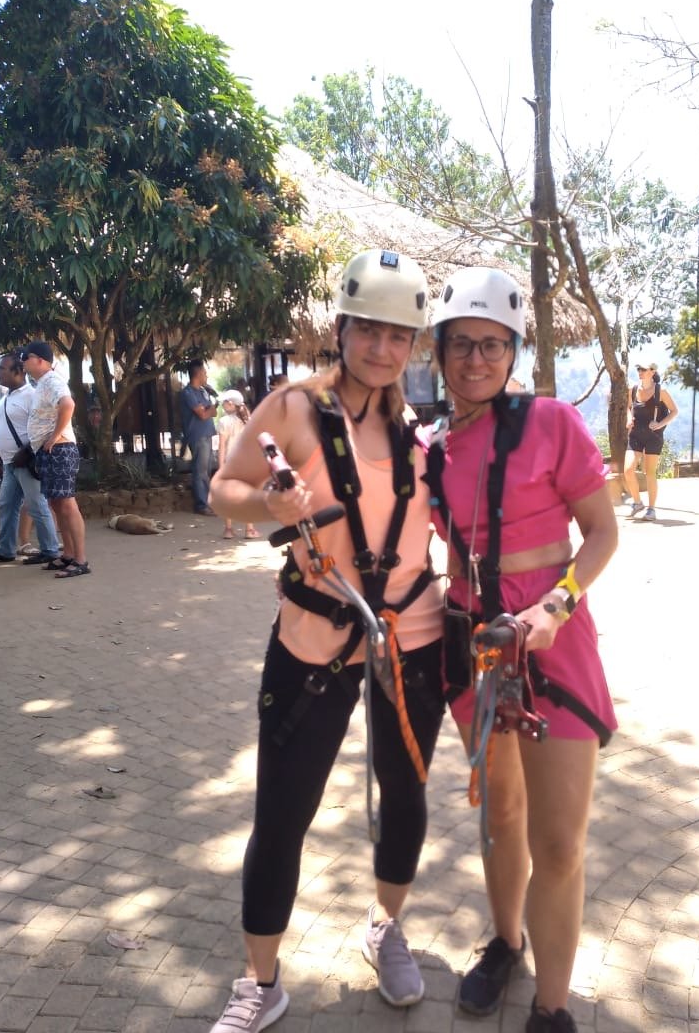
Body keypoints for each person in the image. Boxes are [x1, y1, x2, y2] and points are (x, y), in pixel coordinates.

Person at [207, 249, 444, 1033]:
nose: (382, 347)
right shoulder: (294, 410)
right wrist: (270, 507)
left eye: (398, 335)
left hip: (411, 638)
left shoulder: (420, 433)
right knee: (282, 813)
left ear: (413, 345)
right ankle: (260, 982)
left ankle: (386, 926)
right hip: (314, 642)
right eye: (368, 329)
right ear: (340, 329)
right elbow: (224, 489)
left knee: (404, 795)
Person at [426, 266, 618, 1033]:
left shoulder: (553, 424)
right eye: (462, 344)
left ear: (513, 352)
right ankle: (506, 943)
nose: (476, 359)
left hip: (556, 647)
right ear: (441, 352)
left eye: (492, 345)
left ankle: (552, 1006)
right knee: (500, 814)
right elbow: (443, 555)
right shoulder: (431, 450)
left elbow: (601, 533)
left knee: (559, 842)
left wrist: (557, 604)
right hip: (477, 650)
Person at [20, 341, 89, 578]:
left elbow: (68, 404)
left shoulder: (51, 381)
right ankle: (68, 554)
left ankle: (81, 560)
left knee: (67, 504)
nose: (23, 362)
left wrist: (54, 436)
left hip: (59, 450)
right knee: (57, 504)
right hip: (51, 451)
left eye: (26, 358)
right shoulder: (42, 383)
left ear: (40, 360)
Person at [0, 353, 61, 566]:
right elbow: (2, 430)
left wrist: (28, 451)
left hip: (26, 462)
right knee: (6, 505)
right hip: (9, 463)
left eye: (2, 368)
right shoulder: (4, 399)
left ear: (18, 372)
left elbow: (45, 427)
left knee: (37, 505)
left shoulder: (32, 396)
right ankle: (5, 549)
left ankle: (50, 550)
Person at [623, 363, 678, 521]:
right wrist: (629, 419)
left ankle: (651, 509)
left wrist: (660, 424)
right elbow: (628, 407)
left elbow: (674, 411)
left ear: (652, 372)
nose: (640, 372)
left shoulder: (661, 391)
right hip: (635, 435)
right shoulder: (633, 389)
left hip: (654, 437)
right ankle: (637, 503)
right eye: (638, 369)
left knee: (650, 473)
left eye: (643, 369)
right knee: (628, 470)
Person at [216, 390, 259, 539]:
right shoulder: (249, 420)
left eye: (224, 402)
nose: (222, 405)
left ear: (230, 404)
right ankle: (249, 529)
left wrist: (220, 467)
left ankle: (228, 530)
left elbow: (221, 447)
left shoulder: (224, 421)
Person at [179, 358, 218, 515]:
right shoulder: (188, 393)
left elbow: (211, 411)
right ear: (198, 373)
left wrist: (210, 410)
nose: (206, 376)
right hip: (197, 435)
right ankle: (202, 505)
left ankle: (207, 502)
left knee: (206, 470)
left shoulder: (203, 391)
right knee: (200, 470)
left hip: (207, 434)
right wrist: (210, 410)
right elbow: (203, 414)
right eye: (205, 372)